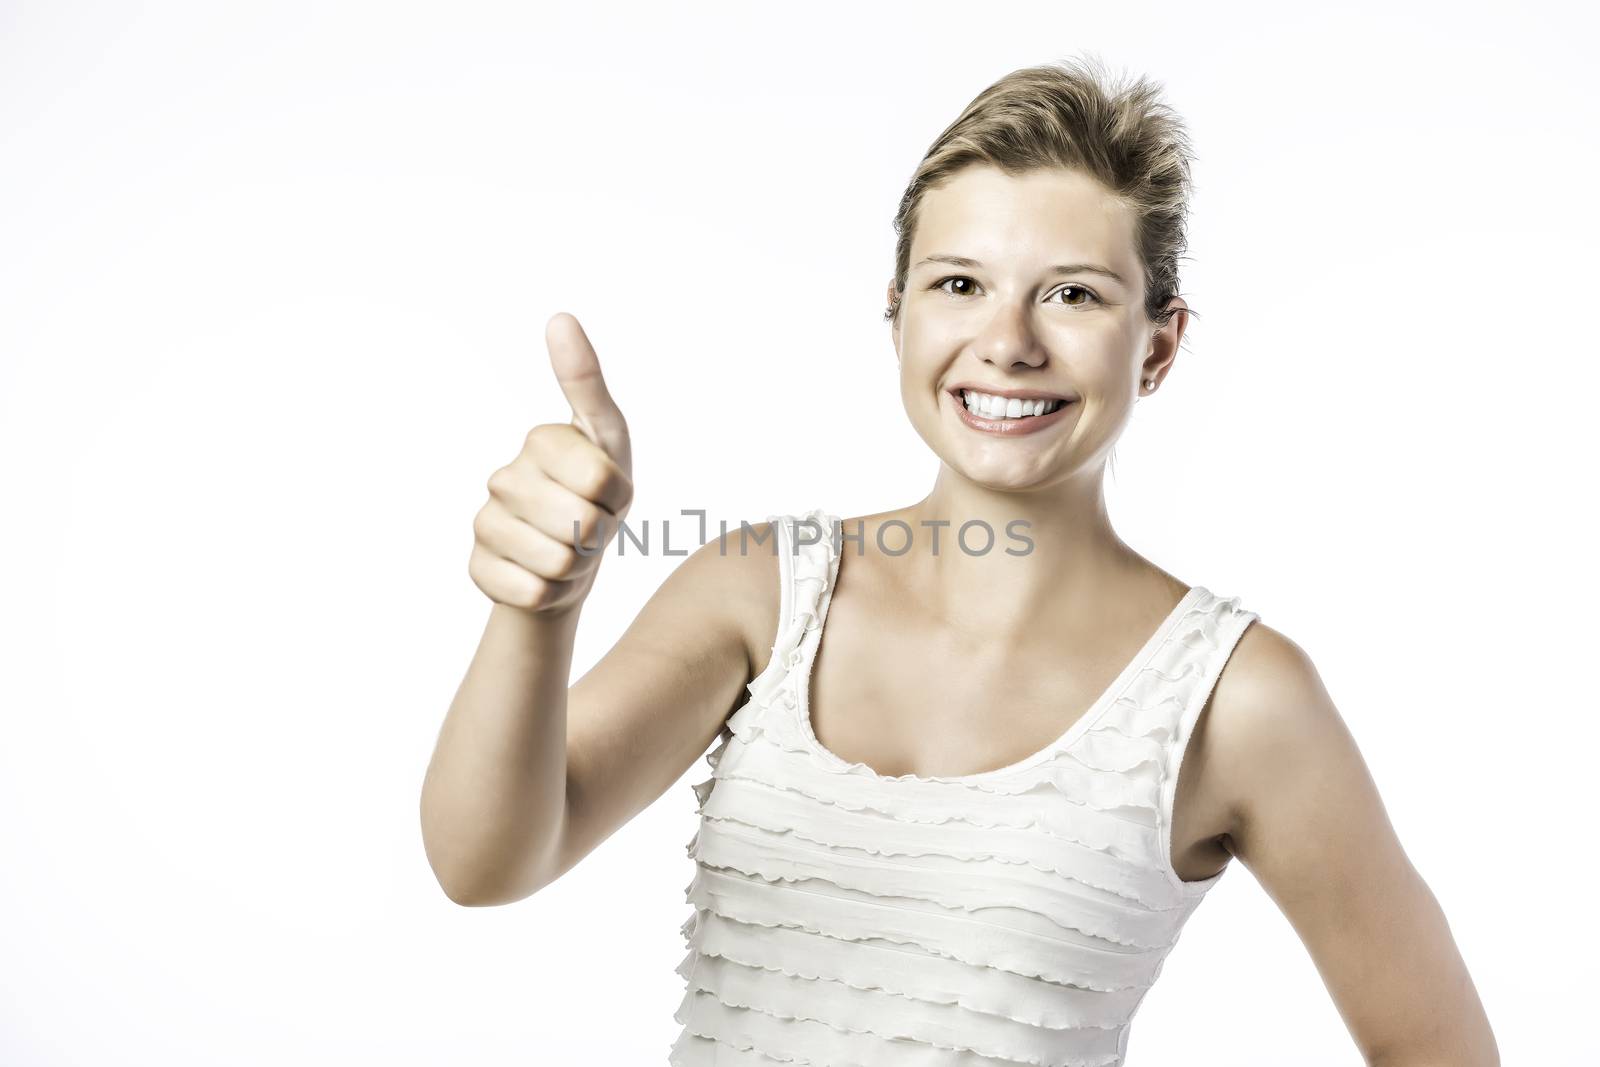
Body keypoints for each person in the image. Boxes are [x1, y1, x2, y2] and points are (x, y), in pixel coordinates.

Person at [419, 55, 1498, 1066]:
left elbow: (1438, 1046)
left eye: (1073, 292)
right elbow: (486, 862)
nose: (1009, 341)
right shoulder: (760, 590)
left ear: (1159, 344)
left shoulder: (1238, 699)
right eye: (957, 284)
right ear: (895, 313)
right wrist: (536, 607)